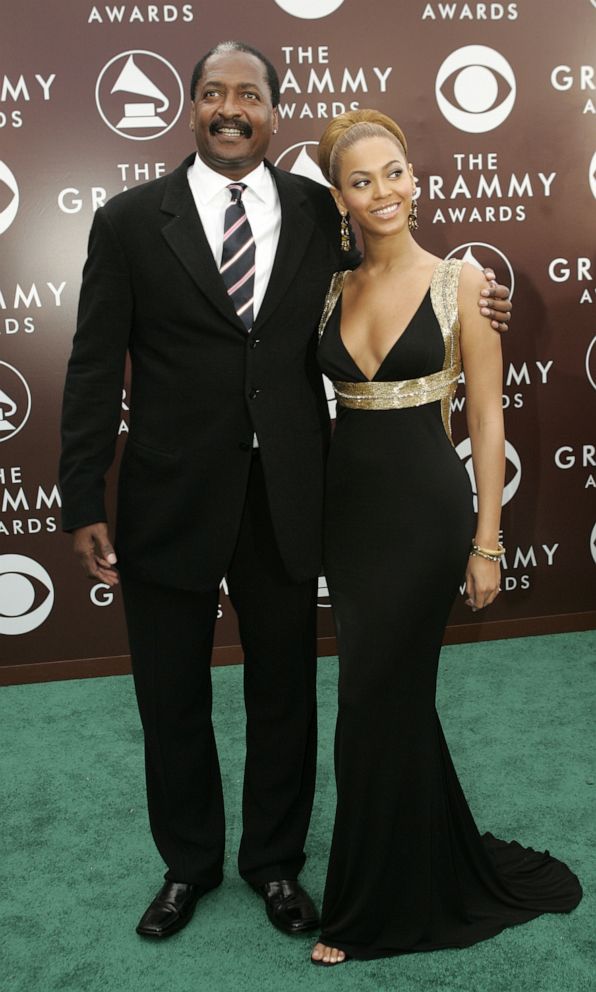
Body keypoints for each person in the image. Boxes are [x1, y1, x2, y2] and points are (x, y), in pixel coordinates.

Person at [59, 44, 512, 942]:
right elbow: (90, 366)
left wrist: (480, 297)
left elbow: (396, 273)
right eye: (215, 94)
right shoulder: (125, 221)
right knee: (171, 694)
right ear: (190, 107)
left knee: (284, 692)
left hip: (291, 497)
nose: (233, 109)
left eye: (252, 96)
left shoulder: (317, 209)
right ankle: (187, 866)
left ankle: (274, 863)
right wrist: (81, 497)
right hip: (167, 500)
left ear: (274, 112)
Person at [311, 109, 582, 965]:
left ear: (415, 178)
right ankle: (419, 864)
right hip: (347, 516)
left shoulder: (461, 281)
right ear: (339, 197)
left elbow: (492, 418)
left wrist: (488, 539)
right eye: (361, 181)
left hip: (427, 513)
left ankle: (362, 912)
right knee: (383, 700)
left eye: (394, 172)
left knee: (371, 702)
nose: (382, 191)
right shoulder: (327, 284)